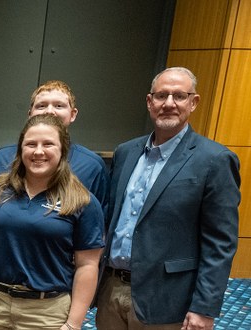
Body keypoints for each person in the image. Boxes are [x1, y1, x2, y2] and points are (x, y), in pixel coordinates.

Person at [95, 67, 240, 330]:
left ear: (193, 102)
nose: (169, 104)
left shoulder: (215, 160)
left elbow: (220, 243)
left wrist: (204, 308)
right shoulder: (126, 152)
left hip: (168, 298)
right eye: (161, 96)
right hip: (111, 290)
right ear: (150, 102)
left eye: (179, 96)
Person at [0, 113, 104, 330]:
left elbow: (87, 265)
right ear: (20, 149)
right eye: (31, 144)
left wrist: (73, 324)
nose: (38, 151)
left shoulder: (82, 201)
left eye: (48, 144)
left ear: (63, 150)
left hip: (46, 312)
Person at [0, 80, 110, 280]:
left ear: (73, 114)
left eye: (59, 105)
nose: (50, 111)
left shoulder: (92, 165)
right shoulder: (2, 158)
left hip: (54, 282)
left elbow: (96, 234)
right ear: (30, 113)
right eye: (41, 105)